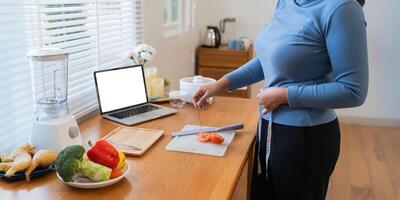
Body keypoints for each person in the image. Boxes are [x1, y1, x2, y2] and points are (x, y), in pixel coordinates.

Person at [192, 0, 368, 199]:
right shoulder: (286, 2)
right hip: (269, 130)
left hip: (306, 140)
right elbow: (270, 57)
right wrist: (221, 84)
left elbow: (353, 91)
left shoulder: (342, 9)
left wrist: (285, 96)